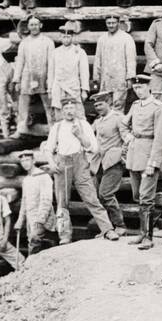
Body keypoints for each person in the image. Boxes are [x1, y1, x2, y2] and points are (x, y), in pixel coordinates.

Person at [44, 97, 118, 243]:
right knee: (62, 202)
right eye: (66, 109)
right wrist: (52, 163)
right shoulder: (57, 127)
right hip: (62, 164)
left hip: (80, 163)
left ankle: (107, 230)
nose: (69, 111)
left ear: (76, 110)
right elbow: (48, 149)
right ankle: (64, 236)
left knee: (91, 197)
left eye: (72, 108)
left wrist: (80, 135)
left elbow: (94, 148)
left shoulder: (83, 125)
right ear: (62, 111)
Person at [125, 75, 162, 247]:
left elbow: (161, 137)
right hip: (134, 154)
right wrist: (127, 136)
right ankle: (143, 232)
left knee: (146, 197)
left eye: (141, 87)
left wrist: (153, 162)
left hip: (148, 154)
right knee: (137, 195)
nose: (138, 91)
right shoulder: (135, 106)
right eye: (135, 88)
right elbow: (124, 124)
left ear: (149, 87)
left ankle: (148, 236)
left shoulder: (158, 107)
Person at [92, 91, 132, 234]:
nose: (98, 107)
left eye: (101, 104)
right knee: (98, 196)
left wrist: (122, 154)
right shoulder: (98, 122)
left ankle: (120, 225)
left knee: (106, 193)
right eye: (96, 105)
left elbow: (128, 138)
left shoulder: (118, 118)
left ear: (108, 103)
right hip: (99, 163)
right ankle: (108, 229)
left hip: (113, 162)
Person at [13, 15, 54, 136]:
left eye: (36, 24)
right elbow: (20, 61)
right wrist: (17, 79)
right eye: (31, 25)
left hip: (43, 77)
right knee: (23, 103)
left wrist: (50, 80)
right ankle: (21, 129)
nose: (34, 27)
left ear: (40, 25)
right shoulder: (24, 43)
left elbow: (52, 62)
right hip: (27, 77)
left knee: (49, 104)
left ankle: (53, 129)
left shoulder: (48, 42)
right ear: (28, 27)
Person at [94, 14, 137, 110]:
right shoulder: (102, 39)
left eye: (113, 23)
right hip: (106, 79)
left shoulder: (126, 38)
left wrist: (130, 77)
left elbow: (131, 59)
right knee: (105, 104)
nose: (111, 25)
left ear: (118, 23)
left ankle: (117, 123)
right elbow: (98, 58)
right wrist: (96, 76)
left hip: (120, 78)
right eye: (108, 23)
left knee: (118, 104)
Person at [15, 149, 55, 250]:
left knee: (34, 243)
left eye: (27, 160)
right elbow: (24, 201)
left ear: (33, 160)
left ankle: (30, 264)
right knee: (33, 243)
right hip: (30, 218)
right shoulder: (26, 180)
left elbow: (46, 199)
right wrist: (20, 220)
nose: (25, 163)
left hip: (42, 218)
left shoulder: (43, 176)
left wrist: (40, 220)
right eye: (22, 161)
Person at [48, 20, 89, 108]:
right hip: (58, 86)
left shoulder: (79, 52)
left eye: (68, 37)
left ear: (72, 37)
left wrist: (84, 90)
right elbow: (51, 72)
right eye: (64, 37)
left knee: (76, 111)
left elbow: (84, 72)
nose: (66, 39)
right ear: (60, 37)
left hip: (73, 86)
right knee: (59, 112)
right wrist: (49, 89)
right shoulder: (55, 52)